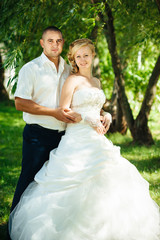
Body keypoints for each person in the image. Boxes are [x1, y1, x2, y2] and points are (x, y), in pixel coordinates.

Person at [9, 38, 160, 240]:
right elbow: (64, 110)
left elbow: (96, 107)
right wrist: (87, 118)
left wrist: (105, 115)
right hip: (77, 139)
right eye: (78, 56)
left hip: (96, 139)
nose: (82, 60)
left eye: (86, 55)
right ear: (74, 59)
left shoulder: (95, 81)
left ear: (93, 55)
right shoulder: (72, 80)